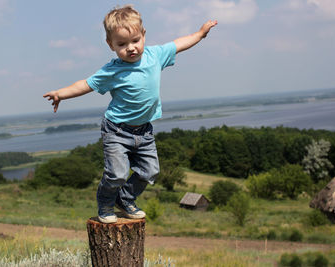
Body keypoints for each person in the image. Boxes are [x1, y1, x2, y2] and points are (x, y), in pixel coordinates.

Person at [43, 5, 217, 223]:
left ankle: (124, 199)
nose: (131, 48)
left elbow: (179, 44)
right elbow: (85, 85)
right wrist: (60, 94)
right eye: (122, 44)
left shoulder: (155, 55)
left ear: (143, 35)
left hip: (144, 132)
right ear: (111, 45)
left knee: (150, 171)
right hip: (117, 130)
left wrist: (200, 34)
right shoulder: (112, 70)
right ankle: (106, 205)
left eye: (135, 40)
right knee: (116, 174)